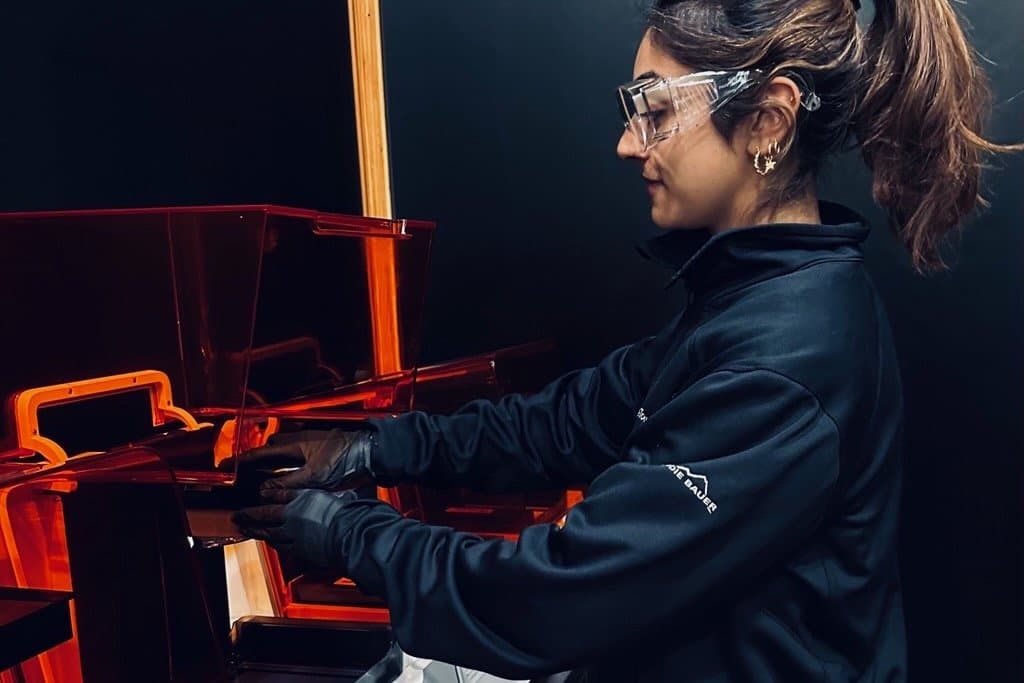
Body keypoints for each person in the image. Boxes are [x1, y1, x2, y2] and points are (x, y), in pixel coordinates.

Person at [232, 0, 1019, 680]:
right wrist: (375, 448)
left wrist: (346, 532)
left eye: (655, 109)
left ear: (769, 120)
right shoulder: (751, 297)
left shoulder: (791, 354)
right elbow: (570, 418)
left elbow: (557, 596)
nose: (628, 144)